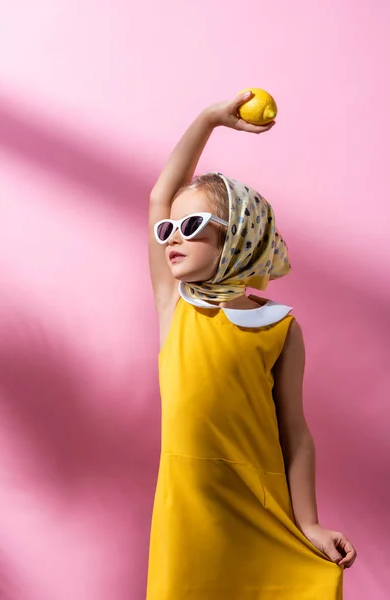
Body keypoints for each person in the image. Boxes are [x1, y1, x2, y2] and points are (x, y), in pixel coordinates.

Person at [146, 90, 357, 600]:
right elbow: (160, 194)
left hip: (256, 501)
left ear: (237, 237)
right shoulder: (175, 307)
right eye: (168, 229)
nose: (172, 237)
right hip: (188, 507)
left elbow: (295, 431)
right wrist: (207, 121)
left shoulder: (280, 328)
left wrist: (308, 523)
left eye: (191, 226)